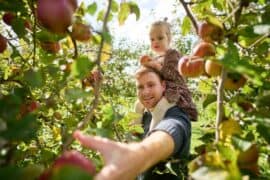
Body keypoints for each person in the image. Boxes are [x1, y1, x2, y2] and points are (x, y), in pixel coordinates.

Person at [73, 66, 191, 180]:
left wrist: (139, 154)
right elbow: (132, 139)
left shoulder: (176, 113)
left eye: (151, 85)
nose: (145, 92)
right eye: (140, 87)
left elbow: (171, 131)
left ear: (163, 85)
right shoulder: (144, 114)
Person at [136, 19, 198, 122]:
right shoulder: (155, 59)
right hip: (158, 91)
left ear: (168, 38)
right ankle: (134, 132)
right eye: (152, 39)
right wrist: (144, 67)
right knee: (138, 105)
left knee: (160, 108)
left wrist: (155, 65)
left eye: (160, 38)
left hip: (173, 91)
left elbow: (173, 75)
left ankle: (153, 135)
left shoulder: (173, 54)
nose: (155, 42)